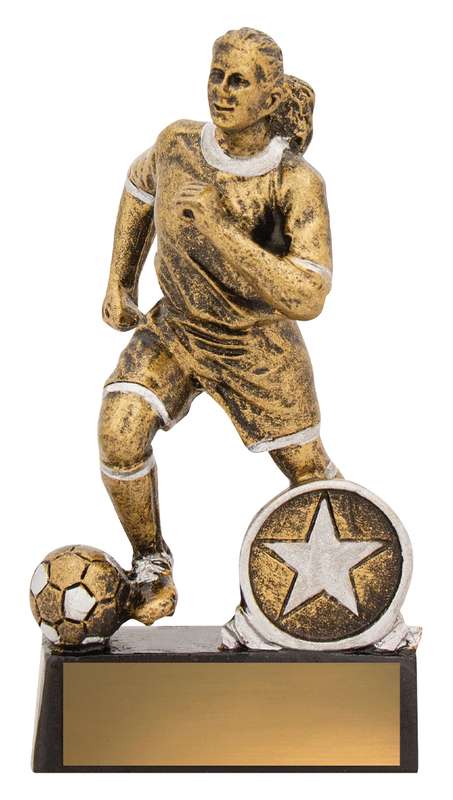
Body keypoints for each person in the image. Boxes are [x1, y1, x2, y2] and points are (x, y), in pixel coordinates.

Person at [98, 27, 340, 625]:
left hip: (256, 344)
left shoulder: (294, 181)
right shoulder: (176, 143)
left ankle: (343, 594)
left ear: (270, 96)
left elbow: (308, 293)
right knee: (119, 432)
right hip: (176, 329)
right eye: (215, 76)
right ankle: (151, 565)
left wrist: (216, 230)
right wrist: (120, 282)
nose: (221, 92)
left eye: (238, 81)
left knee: (310, 477)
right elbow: (140, 186)